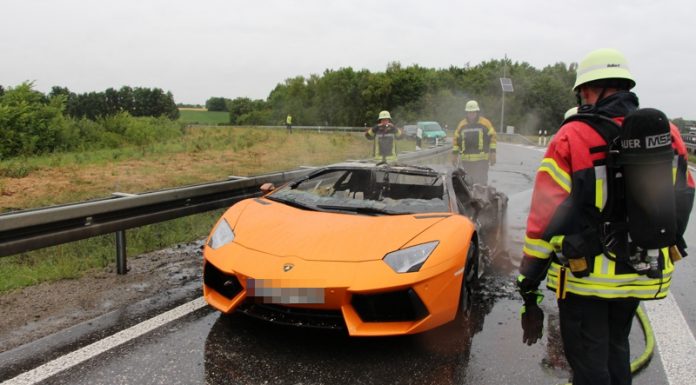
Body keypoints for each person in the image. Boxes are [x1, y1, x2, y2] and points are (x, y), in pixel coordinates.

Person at [517, 48, 695, 385]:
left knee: (588, 365)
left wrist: (529, 280)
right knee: (617, 348)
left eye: (582, 91)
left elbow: (543, 217)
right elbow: (684, 195)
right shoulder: (667, 133)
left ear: (589, 90)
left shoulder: (572, 137)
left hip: (586, 281)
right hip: (640, 271)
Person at [452, 100, 497, 184]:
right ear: (466, 112)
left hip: (482, 161)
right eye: (469, 112)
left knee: (481, 182)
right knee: (468, 182)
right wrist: (454, 155)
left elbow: (493, 138)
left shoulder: (485, 123)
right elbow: (456, 140)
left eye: (473, 112)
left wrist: (493, 153)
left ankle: (482, 196)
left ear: (477, 112)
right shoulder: (462, 125)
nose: (471, 114)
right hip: (467, 161)